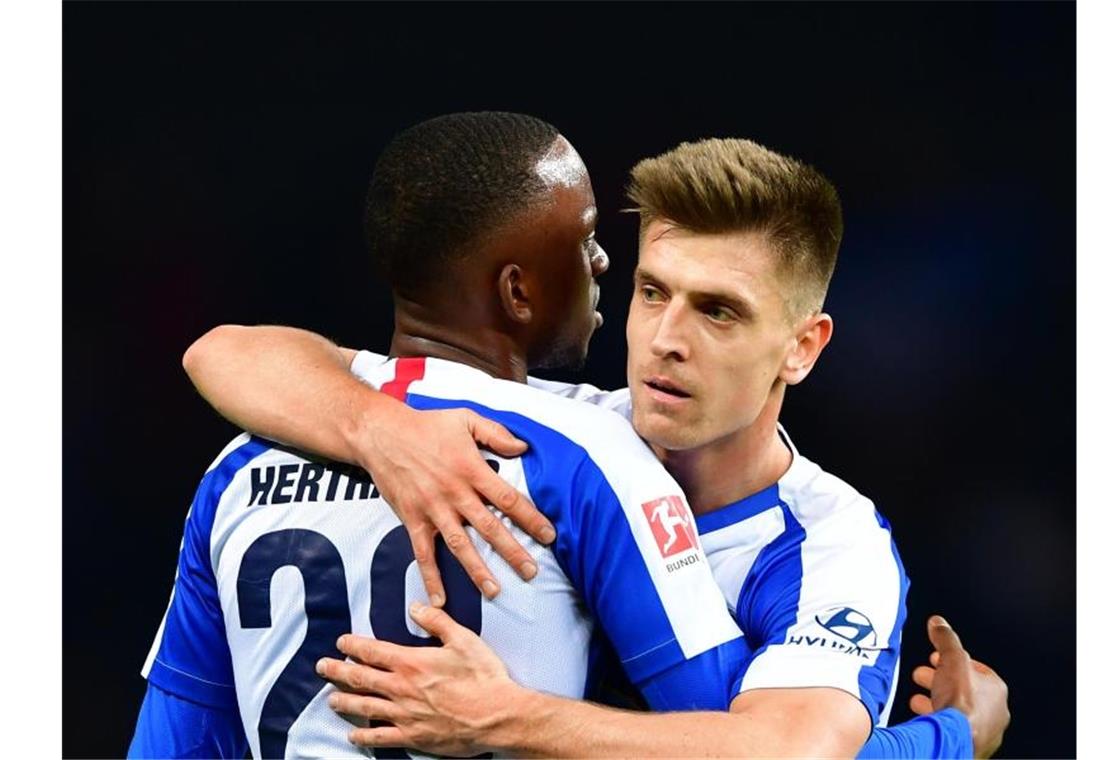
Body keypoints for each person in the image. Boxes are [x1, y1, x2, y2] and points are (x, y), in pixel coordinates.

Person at [183, 136, 1009, 756]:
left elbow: (787, 751)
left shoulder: (830, 543)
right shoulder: (554, 428)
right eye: (652, 293)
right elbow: (227, 351)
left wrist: (503, 716)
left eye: (718, 311)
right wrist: (384, 431)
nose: (665, 340)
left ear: (803, 346)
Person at [128, 112, 755, 759]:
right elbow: (738, 738)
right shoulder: (581, 456)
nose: (601, 260)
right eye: (586, 237)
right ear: (517, 290)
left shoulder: (240, 469)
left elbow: (172, 745)